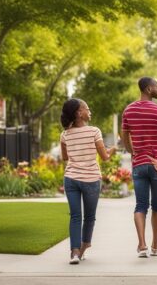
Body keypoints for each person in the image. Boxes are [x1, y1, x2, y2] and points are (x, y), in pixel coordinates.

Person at [121, 77, 157, 258]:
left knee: (140, 206)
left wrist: (132, 152)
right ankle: (155, 246)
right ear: (148, 89)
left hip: (139, 164)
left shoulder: (128, 110)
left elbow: (124, 136)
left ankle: (142, 245)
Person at [60, 98, 115, 265]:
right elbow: (105, 157)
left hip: (71, 179)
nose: (89, 111)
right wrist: (112, 150)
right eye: (87, 109)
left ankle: (74, 253)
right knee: (89, 217)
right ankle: (83, 248)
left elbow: (64, 157)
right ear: (79, 113)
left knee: (75, 216)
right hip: (90, 179)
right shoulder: (94, 132)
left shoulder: (64, 134)